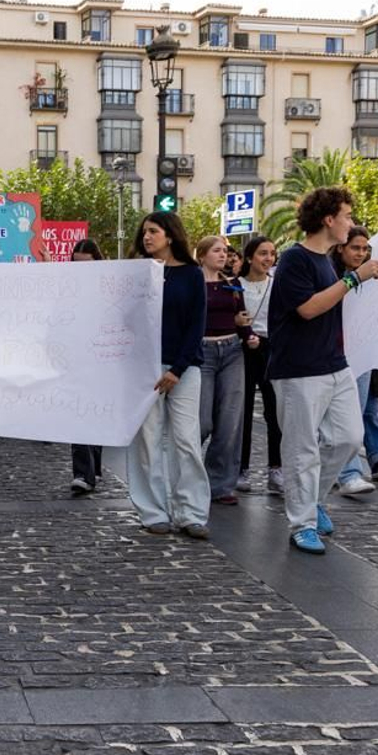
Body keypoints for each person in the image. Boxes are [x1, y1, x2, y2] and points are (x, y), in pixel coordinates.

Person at [267, 187, 378, 555]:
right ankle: (302, 523)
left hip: (334, 363)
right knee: (302, 450)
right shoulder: (293, 260)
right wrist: (354, 279)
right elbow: (308, 309)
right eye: (347, 216)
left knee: (349, 437)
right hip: (298, 369)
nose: (351, 223)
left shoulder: (329, 262)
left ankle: (313, 499)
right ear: (328, 219)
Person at [127, 213, 209, 538]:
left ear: (170, 235)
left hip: (184, 368)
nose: (147, 237)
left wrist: (177, 369)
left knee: (187, 441)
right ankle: (153, 511)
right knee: (147, 441)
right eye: (144, 232)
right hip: (144, 369)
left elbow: (196, 325)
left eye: (153, 231)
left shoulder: (191, 275)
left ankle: (191, 512)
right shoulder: (137, 274)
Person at [330, 227, 378, 496]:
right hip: (331, 355)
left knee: (356, 416)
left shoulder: (373, 276)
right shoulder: (333, 274)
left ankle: (350, 472)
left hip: (361, 356)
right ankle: (342, 472)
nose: (361, 254)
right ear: (341, 248)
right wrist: (354, 280)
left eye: (365, 249)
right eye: (355, 248)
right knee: (339, 419)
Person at [196, 235, 249, 507]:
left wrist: (247, 332)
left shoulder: (233, 283)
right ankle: (190, 474)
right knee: (203, 421)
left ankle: (220, 484)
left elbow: (241, 315)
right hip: (202, 352)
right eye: (216, 251)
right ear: (202, 254)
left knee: (230, 421)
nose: (222, 255)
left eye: (225, 251)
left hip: (232, 351)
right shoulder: (194, 282)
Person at [236, 235, 282, 495]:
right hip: (243, 350)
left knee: (275, 412)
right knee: (242, 412)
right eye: (263, 253)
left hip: (271, 348)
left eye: (272, 254)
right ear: (250, 257)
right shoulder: (236, 285)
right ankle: (240, 468)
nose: (268, 259)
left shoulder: (277, 285)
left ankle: (276, 468)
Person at [65, 238, 108, 495]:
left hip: (103, 357)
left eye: (86, 264)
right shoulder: (68, 287)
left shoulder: (107, 286)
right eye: (76, 263)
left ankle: (93, 467)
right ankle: (83, 473)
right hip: (75, 358)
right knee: (78, 414)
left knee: (96, 413)